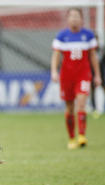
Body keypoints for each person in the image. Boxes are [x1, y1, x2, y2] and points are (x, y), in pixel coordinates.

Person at [51, 7, 101, 149]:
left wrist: (97, 75)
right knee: (70, 107)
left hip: (83, 74)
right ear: (68, 19)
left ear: (81, 19)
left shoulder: (88, 35)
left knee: (81, 102)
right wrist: (54, 71)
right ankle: (72, 138)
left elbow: (93, 56)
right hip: (67, 76)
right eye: (71, 16)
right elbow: (55, 55)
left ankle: (82, 136)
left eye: (76, 16)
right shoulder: (62, 36)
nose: (74, 18)